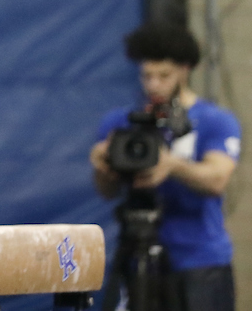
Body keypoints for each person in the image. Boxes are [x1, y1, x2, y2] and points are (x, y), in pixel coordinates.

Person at [89, 20, 241, 311]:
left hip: (199, 261)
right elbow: (106, 190)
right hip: (136, 256)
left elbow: (217, 178)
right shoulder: (122, 125)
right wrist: (102, 166)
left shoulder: (215, 120)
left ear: (185, 70)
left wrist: (171, 165)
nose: (154, 85)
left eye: (164, 75)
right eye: (147, 76)